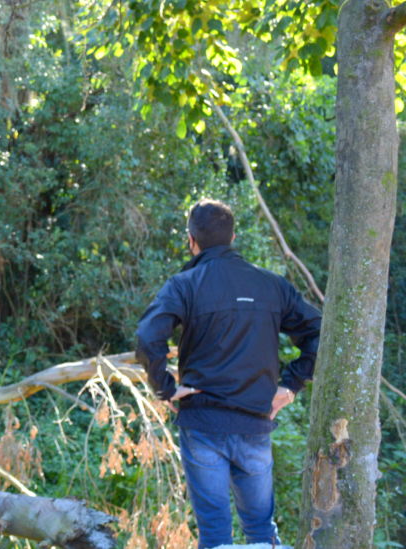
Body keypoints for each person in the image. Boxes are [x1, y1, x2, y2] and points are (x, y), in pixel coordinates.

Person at [136, 199, 321, 549]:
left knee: (217, 539)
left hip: (203, 423)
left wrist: (166, 388)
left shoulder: (183, 285)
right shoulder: (272, 286)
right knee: (262, 535)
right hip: (254, 423)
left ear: (191, 240)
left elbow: (148, 338)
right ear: (233, 237)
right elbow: (318, 332)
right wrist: (291, 385)